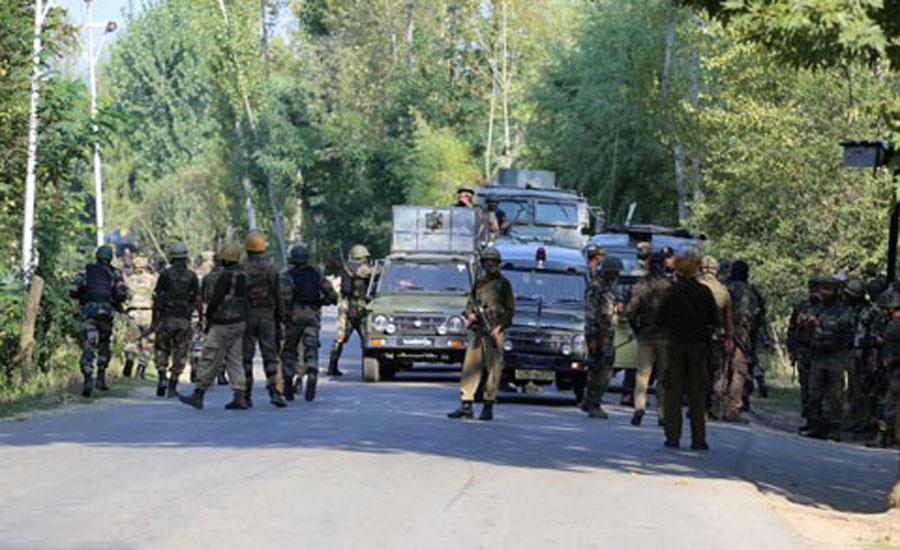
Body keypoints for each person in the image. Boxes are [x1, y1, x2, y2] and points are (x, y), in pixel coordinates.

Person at [658, 254, 719, 450]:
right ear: (696, 271)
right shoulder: (704, 292)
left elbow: (660, 318)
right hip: (698, 347)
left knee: (673, 392)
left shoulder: (671, 292)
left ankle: (673, 437)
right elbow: (715, 320)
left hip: (675, 344)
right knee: (697, 393)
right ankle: (698, 439)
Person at [179, 242, 249, 410]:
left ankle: (199, 394)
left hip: (222, 323)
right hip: (239, 323)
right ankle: (239, 395)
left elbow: (216, 299)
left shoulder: (225, 276)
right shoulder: (243, 276)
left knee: (210, 357)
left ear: (224, 259)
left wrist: (208, 318)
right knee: (235, 359)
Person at [448, 246, 515, 421]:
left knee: (494, 369)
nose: (490, 264)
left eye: (493, 261)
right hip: (478, 331)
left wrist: (500, 326)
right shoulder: (478, 284)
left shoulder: (504, 284)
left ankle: (488, 405)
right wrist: (469, 315)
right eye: (487, 261)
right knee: (470, 368)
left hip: (495, 331)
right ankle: (466, 404)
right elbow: (469, 305)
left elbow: (510, 310)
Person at [280, 244, 338, 402]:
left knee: (290, 351)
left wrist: (283, 315)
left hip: (294, 317)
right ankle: (312, 372)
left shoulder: (287, 275)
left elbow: (284, 300)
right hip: (312, 316)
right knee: (311, 348)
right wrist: (322, 302)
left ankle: (287, 384)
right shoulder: (316, 274)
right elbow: (333, 296)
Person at [69, 245, 129, 397]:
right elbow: (122, 294)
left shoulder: (86, 271)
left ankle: (88, 375)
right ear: (110, 258)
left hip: (89, 312)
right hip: (106, 313)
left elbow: (73, 290)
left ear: (97, 256)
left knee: (89, 343)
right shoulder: (115, 273)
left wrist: (84, 296)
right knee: (104, 342)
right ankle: (101, 377)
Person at [801, 277, 854, 440]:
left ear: (835, 291)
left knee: (835, 393)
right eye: (823, 289)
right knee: (814, 391)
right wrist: (806, 322)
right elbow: (807, 320)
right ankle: (816, 425)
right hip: (818, 353)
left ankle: (834, 427)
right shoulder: (818, 307)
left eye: (828, 290)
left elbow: (842, 326)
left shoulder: (844, 309)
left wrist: (820, 322)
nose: (824, 293)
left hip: (836, 355)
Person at [625, 252, 671, 426]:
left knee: (642, 376)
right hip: (665, 338)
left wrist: (637, 330)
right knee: (663, 377)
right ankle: (662, 413)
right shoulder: (669, 286)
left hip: (645, 336)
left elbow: (630, 313)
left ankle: (639, 408)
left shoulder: (641, 285)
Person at [241, 230, 286, 408]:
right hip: (267, 317)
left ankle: (246, 395)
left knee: (246, 358)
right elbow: (278, 295)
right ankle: (274, 392)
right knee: (270, 356)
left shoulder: (241, 268)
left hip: (247, 317)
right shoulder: (271, 268)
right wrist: (281, 317)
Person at [152, 241, 202, 398]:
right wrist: (200, 317)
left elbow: (156, 298)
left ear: (172, 257)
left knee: (162, 349)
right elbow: (198, 299)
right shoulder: (192, 276)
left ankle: (161, 378)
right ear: (185, 257)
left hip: (165, 318)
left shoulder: (165, 275)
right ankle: (173, 385)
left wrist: (154, 320)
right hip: (184, 319)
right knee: (180, 352)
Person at [717, 260, 761, 422]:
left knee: (721, 369)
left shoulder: (723, 288)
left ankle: (716, 406)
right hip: (741, 336)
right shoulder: (748, 291)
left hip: (721, 334)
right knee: (738, 372)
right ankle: (732, 409)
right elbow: (754, 316)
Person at [583, 250, 622, 419]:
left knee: (601, 369)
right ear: (609, 271)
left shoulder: (608, 286)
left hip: (606, 334)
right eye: (615, 272)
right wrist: (592, 339)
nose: (617, 275)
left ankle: (589, 401)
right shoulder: (596, 286)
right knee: (601, 371)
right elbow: (591, 314)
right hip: (598, 334)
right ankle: (594, 403)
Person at [328, 244, 373, 377]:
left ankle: (333, 366)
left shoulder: (347, 270)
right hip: (355, 309)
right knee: (364, 338)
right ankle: (333, 366)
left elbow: (345, 290)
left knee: (341, 338)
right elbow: (346, 290)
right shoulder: (360, 271)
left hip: (351, 309)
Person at [699, 255, 733, 419]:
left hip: (696, 336)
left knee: (697, 371)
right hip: (716, 336)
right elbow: (728, 317)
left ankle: (699, 406)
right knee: (717, 373)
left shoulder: (696, 286)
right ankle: (715, 407)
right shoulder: (723, 290)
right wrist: (729, 338)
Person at [787, 277, 822, 431]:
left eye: (816, 288)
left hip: (819, 350)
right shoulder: (802, 306)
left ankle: (819, 420)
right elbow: (792, 330)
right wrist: (792, 350)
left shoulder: (826, 308)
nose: (813, 291)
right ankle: (809, 418)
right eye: (811, 288)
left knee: (818, 387)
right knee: (805, 385)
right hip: (803, 349)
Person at [845, 279, 878, 432]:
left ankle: (863, 420)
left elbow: (869, 333)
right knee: (853, 387)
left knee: (862, 388)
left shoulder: (870, 310)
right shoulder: (851, 309)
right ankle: (854, 418)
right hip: (853, 351)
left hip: (865, 353)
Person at [869, 290, 900, 448]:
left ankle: (884, 437)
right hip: (890, 367)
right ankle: (885, 437)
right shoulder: (891, 323)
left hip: (896, 368)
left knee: (890, 404)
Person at [122, 255, 156, 380]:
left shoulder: (129, 280)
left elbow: (123, 295)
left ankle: (130, 357)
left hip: (133, 313)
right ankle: (142, 367)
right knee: (147, 342)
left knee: (132, 341)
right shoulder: (152, 279)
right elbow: (157, 295)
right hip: (148, 313)